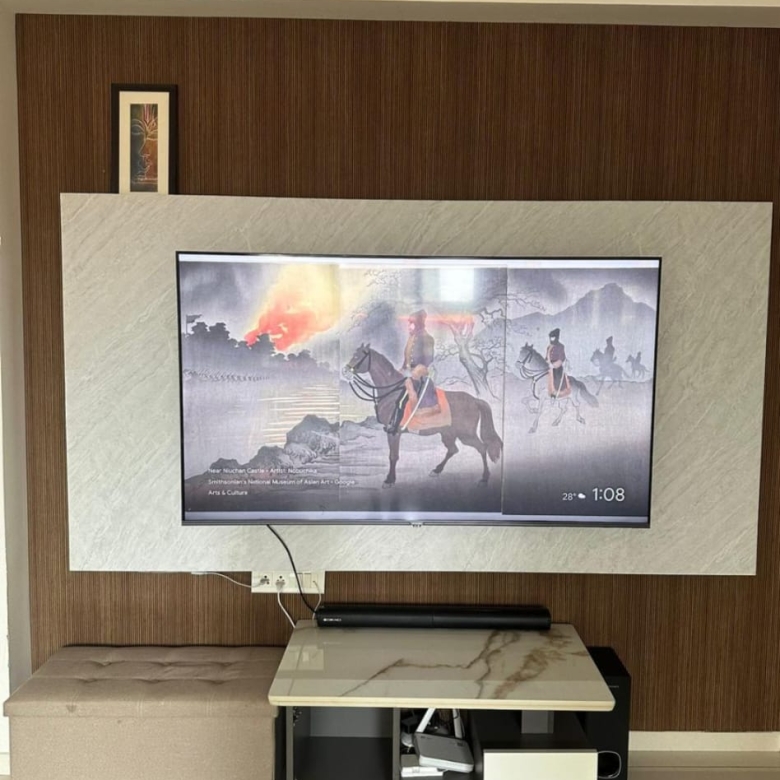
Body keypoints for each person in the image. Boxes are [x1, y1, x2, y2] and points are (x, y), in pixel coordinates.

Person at [385, 309, 439, 433]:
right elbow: (407, 359)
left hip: (420, 375)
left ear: (418, 324)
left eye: (412, 323)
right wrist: (401, 370)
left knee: (402, 401)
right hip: (408, 373)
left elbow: (428, 359)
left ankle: (398, 426)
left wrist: (417, 370)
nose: (409, 326)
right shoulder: (412, 339)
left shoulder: (427, 338)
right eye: (409, 323)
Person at [546, 328, 570, 398]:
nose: (551, 339)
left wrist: (553, 365)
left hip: (557, 367)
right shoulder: (549, 347)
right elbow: (546, 357)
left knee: (557, 379)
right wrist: (546, 363)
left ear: (556, 338)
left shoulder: (560, 346)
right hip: (548, 366)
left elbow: (561, 358)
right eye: (551, 338)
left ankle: (558, 393)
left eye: (553, 338)